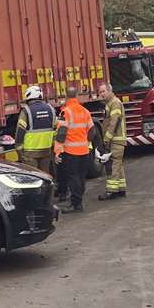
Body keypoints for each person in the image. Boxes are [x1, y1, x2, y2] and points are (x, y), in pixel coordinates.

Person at [53, 82, 95, 212]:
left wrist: (57, 152)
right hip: (84, 150)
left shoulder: (65, 112)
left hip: (71, 152)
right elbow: (92, 130)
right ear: (76, 96)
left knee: (73, 177)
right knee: (81, 177)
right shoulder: (85, 111)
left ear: (66, 97)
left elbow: (61, 134)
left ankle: (76, 204)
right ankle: (78, 201)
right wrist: (87, 143)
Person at [98, 83, 127, 199]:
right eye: (100, 92)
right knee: (118, 165)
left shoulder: (114, 103)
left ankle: (111, 191)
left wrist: (106, 139)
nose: (101, 94)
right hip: (117, 140)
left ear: (110, 91)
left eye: (103, 91)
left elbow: (113, 123)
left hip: (116, 140)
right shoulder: (110, 103)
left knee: (113, 165)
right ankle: (121, 188)